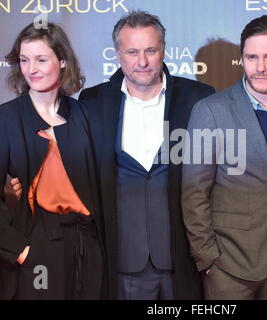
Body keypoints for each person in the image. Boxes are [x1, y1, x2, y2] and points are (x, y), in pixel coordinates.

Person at [79, 11, 214, 299]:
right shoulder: (92, 102)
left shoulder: (198, 98)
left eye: (151, 51)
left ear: (163, 50)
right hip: (123, 261)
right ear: (117, 54)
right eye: (132, 52)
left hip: (183, 259)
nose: (142, 62)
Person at [181, 15, 267, 300]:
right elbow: (194, 192)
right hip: (228, 266)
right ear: (241, 59)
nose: (260, 67)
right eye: (252, 57)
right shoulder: (211, 110)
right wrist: (208, 259)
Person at [0, 22, 103, 299]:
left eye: (41, 59)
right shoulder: (5, 118)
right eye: (24, 60)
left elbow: (100, 181)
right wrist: (18, 250)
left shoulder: (85, 114)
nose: (31, 69)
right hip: (36, 242)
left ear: (62, 61)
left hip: (87, 244)